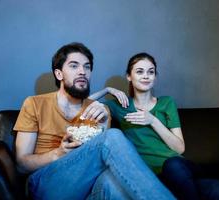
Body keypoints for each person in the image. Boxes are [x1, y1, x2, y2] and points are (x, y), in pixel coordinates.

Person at [13, 43, 175, 200]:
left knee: (114, 185)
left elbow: (100, 158)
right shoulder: (34, 103)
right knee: (112, 137)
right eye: (74, 66)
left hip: (86, 187)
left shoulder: (98, 110)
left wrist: (104, 122)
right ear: (59, 74)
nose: (83, 71)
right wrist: (59, 152)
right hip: (46, 185)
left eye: (87, 66)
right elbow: (21, 165)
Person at [89, 52, 219, 200]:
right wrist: (107, 90)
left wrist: (152, 120)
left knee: (173, 165)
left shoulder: (166, 103)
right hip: (150, 177)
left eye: (151, 72)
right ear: (129, 76)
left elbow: (179, 148)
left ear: (155, 77)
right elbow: (82, 105)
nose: (146, 76)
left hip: (179, 169)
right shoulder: (120, 106)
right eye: (139, 71)